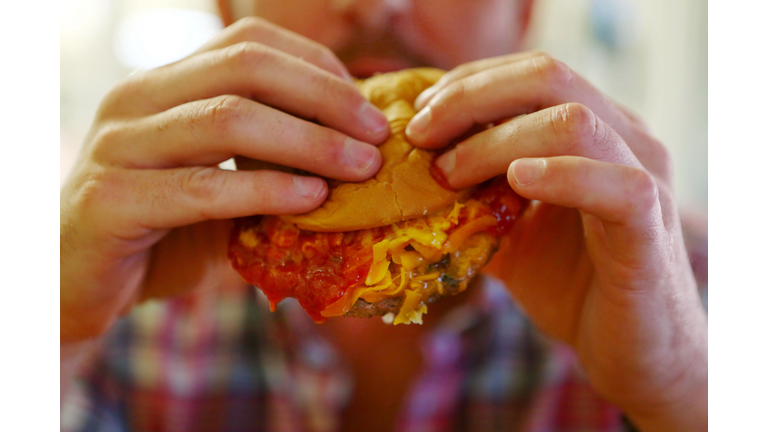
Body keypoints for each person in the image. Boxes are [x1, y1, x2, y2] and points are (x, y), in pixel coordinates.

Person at [60, 0, 708, 431]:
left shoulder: (695, 301)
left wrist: (684, 396)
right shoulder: (110, 285)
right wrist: (51, 332)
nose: (374, 3)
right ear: (231, 9)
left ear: (522, 12)